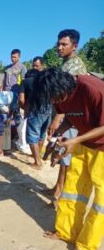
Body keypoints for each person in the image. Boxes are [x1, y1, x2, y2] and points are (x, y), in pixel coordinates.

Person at [31, 68, 104, 250]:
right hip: (85, 144)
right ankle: (66, 232)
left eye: (55, 98)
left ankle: (87, 245)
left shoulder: (93, 89)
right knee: (73, 191)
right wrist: (58, 135)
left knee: (100, 202)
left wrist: (76, 139)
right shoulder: (58, 94)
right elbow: (71, 117)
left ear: (63, 88)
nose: (54, 103)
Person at [47, 29, 88, 204]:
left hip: (70, 118)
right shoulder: (65, 64)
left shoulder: (76, 66)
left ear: (75, 46)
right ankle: (57, 186)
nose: (59, 47)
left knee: (66, 154)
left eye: (64, 44)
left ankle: (61, 192)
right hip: (63, 116)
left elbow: (72, 97)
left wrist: (59, 117)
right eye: (58, 43)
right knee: (60, 151)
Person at [19, 57, 51, 170]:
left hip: (35, 109)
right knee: (42, 135)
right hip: (48, 109)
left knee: (32, 136)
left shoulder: (25, 82)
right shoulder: (45, 80)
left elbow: (22, 99)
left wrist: (25, 108)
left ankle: (37, 162)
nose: (34, 67)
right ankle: (37, 156)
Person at [0, 49, 28, 154]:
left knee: (16, 117)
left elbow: (24, 83)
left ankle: (20, 142)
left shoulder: (22, 68)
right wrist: (2, 91)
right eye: (12, 57)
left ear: (19, 57)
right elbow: (3, 82)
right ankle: (6, 144)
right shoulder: (7, 68)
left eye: (15, 57)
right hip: (6, 97)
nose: (13, 58)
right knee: (5, 117)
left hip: (16, 96)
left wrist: (21, 96)